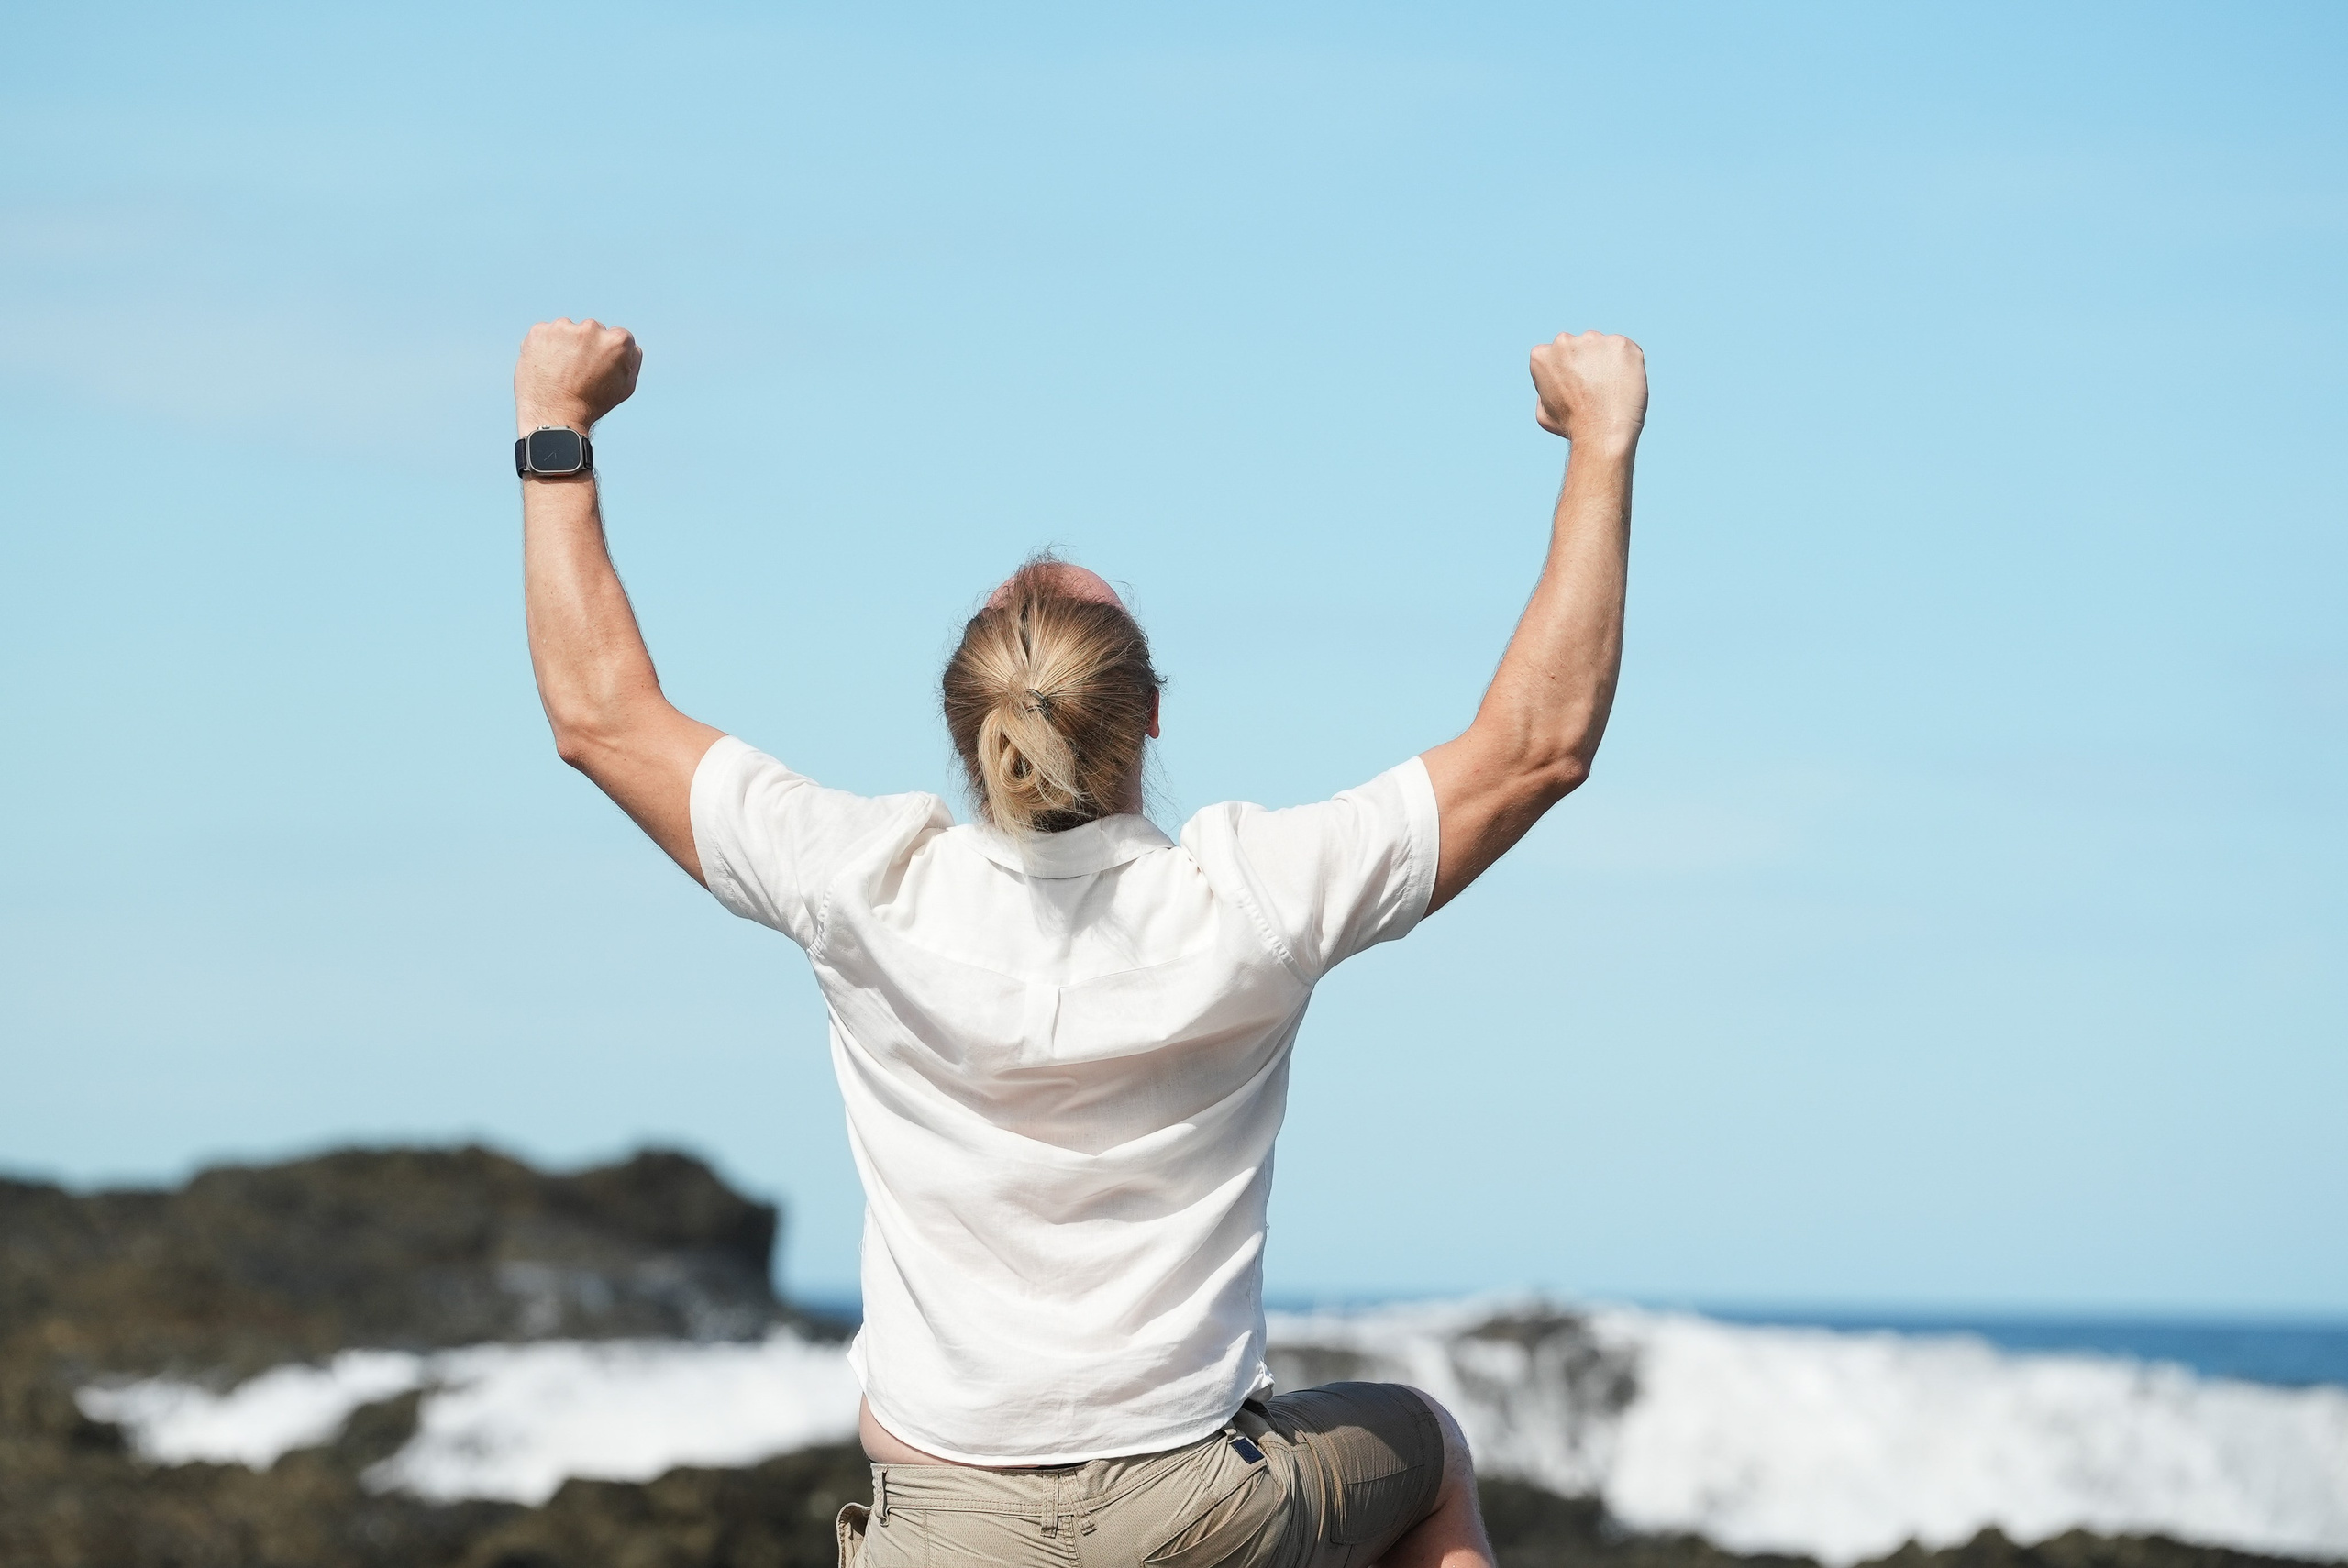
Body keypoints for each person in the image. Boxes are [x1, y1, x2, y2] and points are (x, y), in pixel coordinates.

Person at [513, 316, 1646, 1568]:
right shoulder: (1251, 895)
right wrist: (1600, 438)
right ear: (1153, 714)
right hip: (1201, 1518)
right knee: (1421, 1446)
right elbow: (1538, 747)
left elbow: (600, 716)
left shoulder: (861, 881)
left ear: (968, 727)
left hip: (944, 1532)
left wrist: (555, 421)